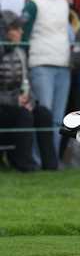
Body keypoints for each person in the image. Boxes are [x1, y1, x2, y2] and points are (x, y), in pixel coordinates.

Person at [22, 0, 72, 157]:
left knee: (58, 118)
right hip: (41, 64)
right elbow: (24, 36)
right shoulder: (33, 4)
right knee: (44, 115)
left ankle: (52, 162)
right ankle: (37, 159)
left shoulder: (63, 3)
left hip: (63, 64)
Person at [0, 10, 57, 171]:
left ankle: (50, 165)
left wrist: (29, 99)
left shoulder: (20, 52)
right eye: (16, 28)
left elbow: (27, 82)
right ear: (5, 31)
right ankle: (25, 164)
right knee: (23, 115)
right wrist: (14, 101)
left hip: (16, 104)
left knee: (43, 113)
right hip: (4, 107)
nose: (21, 32)